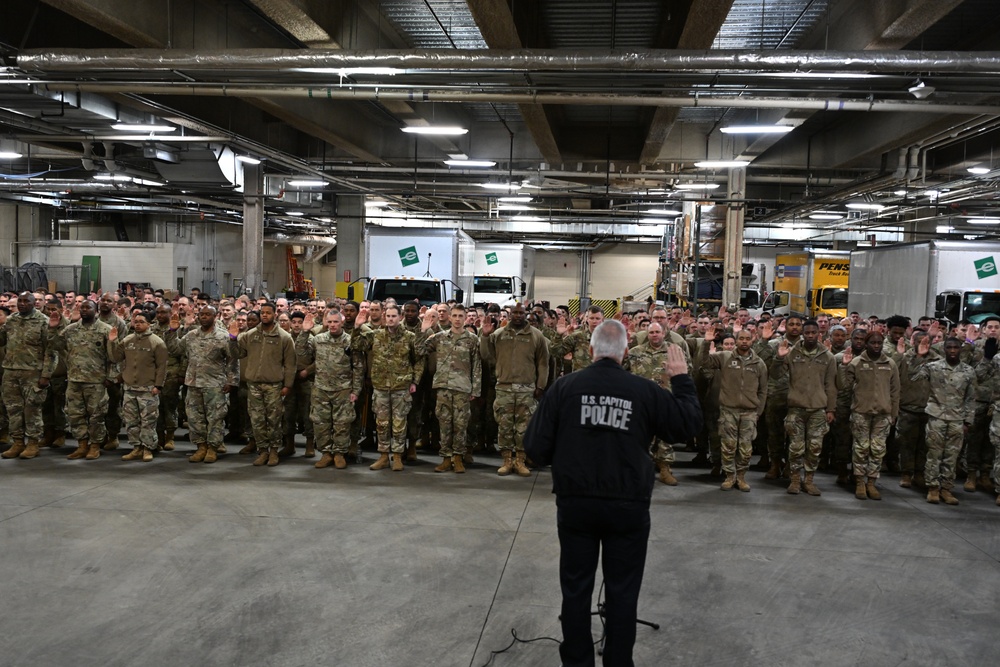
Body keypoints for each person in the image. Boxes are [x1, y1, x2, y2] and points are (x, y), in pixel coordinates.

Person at [524, 320, 701, 667]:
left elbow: (534, 448)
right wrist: (680, 380)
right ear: (625, 353)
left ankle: (577, 662)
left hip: (576, 505)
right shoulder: (644, 391)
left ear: (591, 351)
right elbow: (687, 426)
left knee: (575, 589)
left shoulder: (564, 388)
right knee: (623, 590)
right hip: (627, 507)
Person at [480, 303, 549, 476]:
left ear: (526, 315)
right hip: (504, 388)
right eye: (515, 313)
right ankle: (506, 461)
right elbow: (487, 356)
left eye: (521, 313)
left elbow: (543, 363)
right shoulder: (499, 334)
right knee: (504, 426)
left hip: (527, 390)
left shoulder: (536, 335)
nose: (518, 316)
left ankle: (520, 461)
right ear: (510, 315)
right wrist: (485, 337)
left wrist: (541, 385)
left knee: (524, 428)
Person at [164, 306, 239, 464]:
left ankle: (213, 448)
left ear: (215, 316)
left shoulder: (223, 336)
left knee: (215, 418)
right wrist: (172, 332)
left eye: (207, 314)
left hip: (215, 384)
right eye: (201, 314)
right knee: (195, 418)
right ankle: (201, 447)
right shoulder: (192, 335)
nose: (204, 317)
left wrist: (231, 381)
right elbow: (175, 349)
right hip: (193, 383)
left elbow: (232, 360)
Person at [771, 319, 837, 496]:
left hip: (817, 409)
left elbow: (831, 385)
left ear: (819, 334)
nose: (810, 336)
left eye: (813, 333)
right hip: (796, 408)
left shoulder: (827, 356)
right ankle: (794, 480)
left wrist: (831, 409)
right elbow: (776, 375)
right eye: (806, 333)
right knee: (796, 447)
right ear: (802, 334)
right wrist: (779, 358)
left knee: (815, 447)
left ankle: (808, 480)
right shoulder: (792, 353)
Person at [909, 336, 974, 505]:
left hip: (957, 418)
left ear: (960, 349)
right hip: (936, 416)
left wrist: (968, 421)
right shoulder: (933, 367)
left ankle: (946, 489)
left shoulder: (968, 371)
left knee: (952, 456)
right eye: (949, 347)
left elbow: (971, 398)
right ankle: (932, 488)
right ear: (944, 349)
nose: (952, 350)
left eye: (956, 347)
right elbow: (913, 377)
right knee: (934, 454)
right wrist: (919, 356)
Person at [230, 302, 296, 467]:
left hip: (274, 385)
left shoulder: (284, 337)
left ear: (274, 314)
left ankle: (274, 450)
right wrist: (232, 339)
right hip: (254, 384)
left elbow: (290, 364)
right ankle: (263, 450)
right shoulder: (250, 335)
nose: (265, 315)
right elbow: (237, 354)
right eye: (263, 313)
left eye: (268, 312)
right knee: (257, 420)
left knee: (273, 420)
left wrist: (288, 385)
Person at [418, 304, 481, 473]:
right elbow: (419, 351)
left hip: (462, 388)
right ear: (450, 317)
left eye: (461, 316)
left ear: (465, 318)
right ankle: (446, 458)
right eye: (455, 316)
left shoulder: (472, 339)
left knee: (461, 426)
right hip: (443, 387)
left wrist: (475, 389)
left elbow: (477, 365)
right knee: (444, 425)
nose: (458, 319)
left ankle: (458, 458)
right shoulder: (439, 337)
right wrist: (423, 331)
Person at [47, 300, 113, 460]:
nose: (84, 310)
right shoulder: (70, 329)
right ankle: (82, 445)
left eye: (88, 307)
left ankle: (95, 445)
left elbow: (114, 356)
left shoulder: (105, 330)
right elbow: (54, 345)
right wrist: (53, 329)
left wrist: (110, 377)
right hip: (74, 379)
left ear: (96, 310)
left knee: (96, 416)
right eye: (81, 307)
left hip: (96, 381)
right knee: (75, 415)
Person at [844, 331, 901, 501]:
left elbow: (895, 392)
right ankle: (860, 482)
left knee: (877, 449)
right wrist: (844, 367)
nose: (876, 346)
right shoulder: (856, 362)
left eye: (879, 343)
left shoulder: (890, 364)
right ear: (866, 344)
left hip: (883, 414)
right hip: (861, 412)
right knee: (861, 448)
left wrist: (893, 414)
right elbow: (844, 386)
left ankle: (871, 482)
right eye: (873, 343)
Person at [0, 292, 54, 460]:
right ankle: (17, 442)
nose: (22, 304)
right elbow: (2, 340)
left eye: (26, 301)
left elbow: (51, 352)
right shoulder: (12, 320)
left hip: (33, 373)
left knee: (32, 409)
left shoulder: (43, 322)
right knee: (13, 409)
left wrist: (46, 375)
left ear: (34, 303)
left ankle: (32, 443)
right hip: (11, 371)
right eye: (20, 301)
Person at [108, 312, 167, 462]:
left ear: (149, 324)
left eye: (142, 321)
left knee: (148, 421)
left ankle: (148, 448)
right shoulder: (128, 340)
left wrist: (158, 386)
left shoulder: (157, 342)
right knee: (131, 420)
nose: (138, 324)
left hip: (148, 388)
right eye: (136, 321)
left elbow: (162, 367)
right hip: (129, 388)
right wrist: (113, 342)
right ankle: (136, 447)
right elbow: (115, 358)